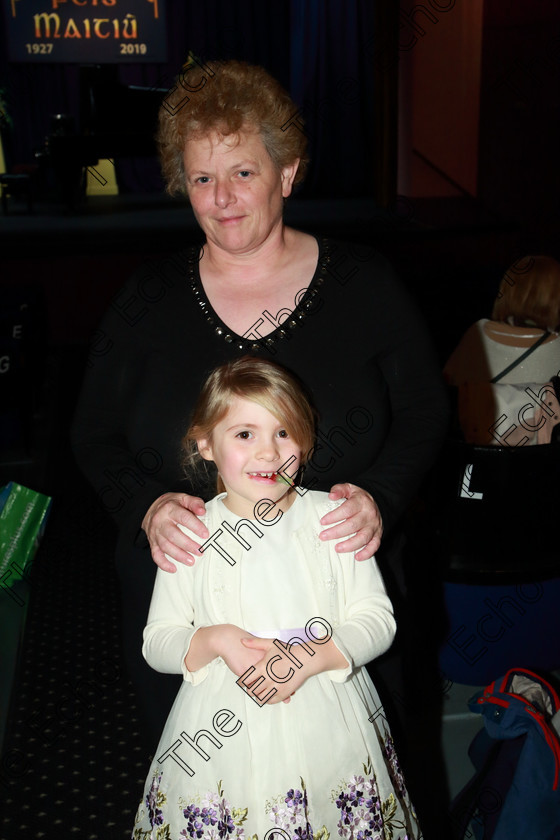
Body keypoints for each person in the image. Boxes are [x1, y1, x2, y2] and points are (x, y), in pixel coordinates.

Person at [71, 60, 448, 751]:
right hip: (191, 619)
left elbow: (427, 411)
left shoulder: (364, 283)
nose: (221, 197)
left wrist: (382, 499)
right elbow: (90, 434)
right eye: (202, 178)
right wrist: (144, 507)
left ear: (288, 173)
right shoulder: (146, 298)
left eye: (243, 172)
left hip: (343, 611)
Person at [131, 355, 420, 840]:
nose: (268, 453)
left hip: (328, 712)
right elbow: (158, 640)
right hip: (221, 730)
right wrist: (216, 640)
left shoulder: (334, 516)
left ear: (305, 441)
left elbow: (376, 619)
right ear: (206, 443)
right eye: (245, 434)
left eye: (283, 433)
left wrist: (316, 657)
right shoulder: (190, 532)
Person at [444, 255, 560, 445]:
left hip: (479, 459)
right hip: (539, 465)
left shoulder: (477, 335)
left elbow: (446, 388)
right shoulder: (557, 346)